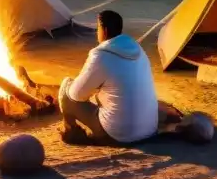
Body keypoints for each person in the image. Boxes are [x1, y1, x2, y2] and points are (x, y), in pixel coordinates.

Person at [58, 9, 161, 145]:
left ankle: (71, 131)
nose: (97, 33)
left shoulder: (100, 55)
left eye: (98, 28)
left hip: (118, 135)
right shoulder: (138, 49)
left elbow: (76, 95)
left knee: (66, 89)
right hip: (149, 131)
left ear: (104, 30)